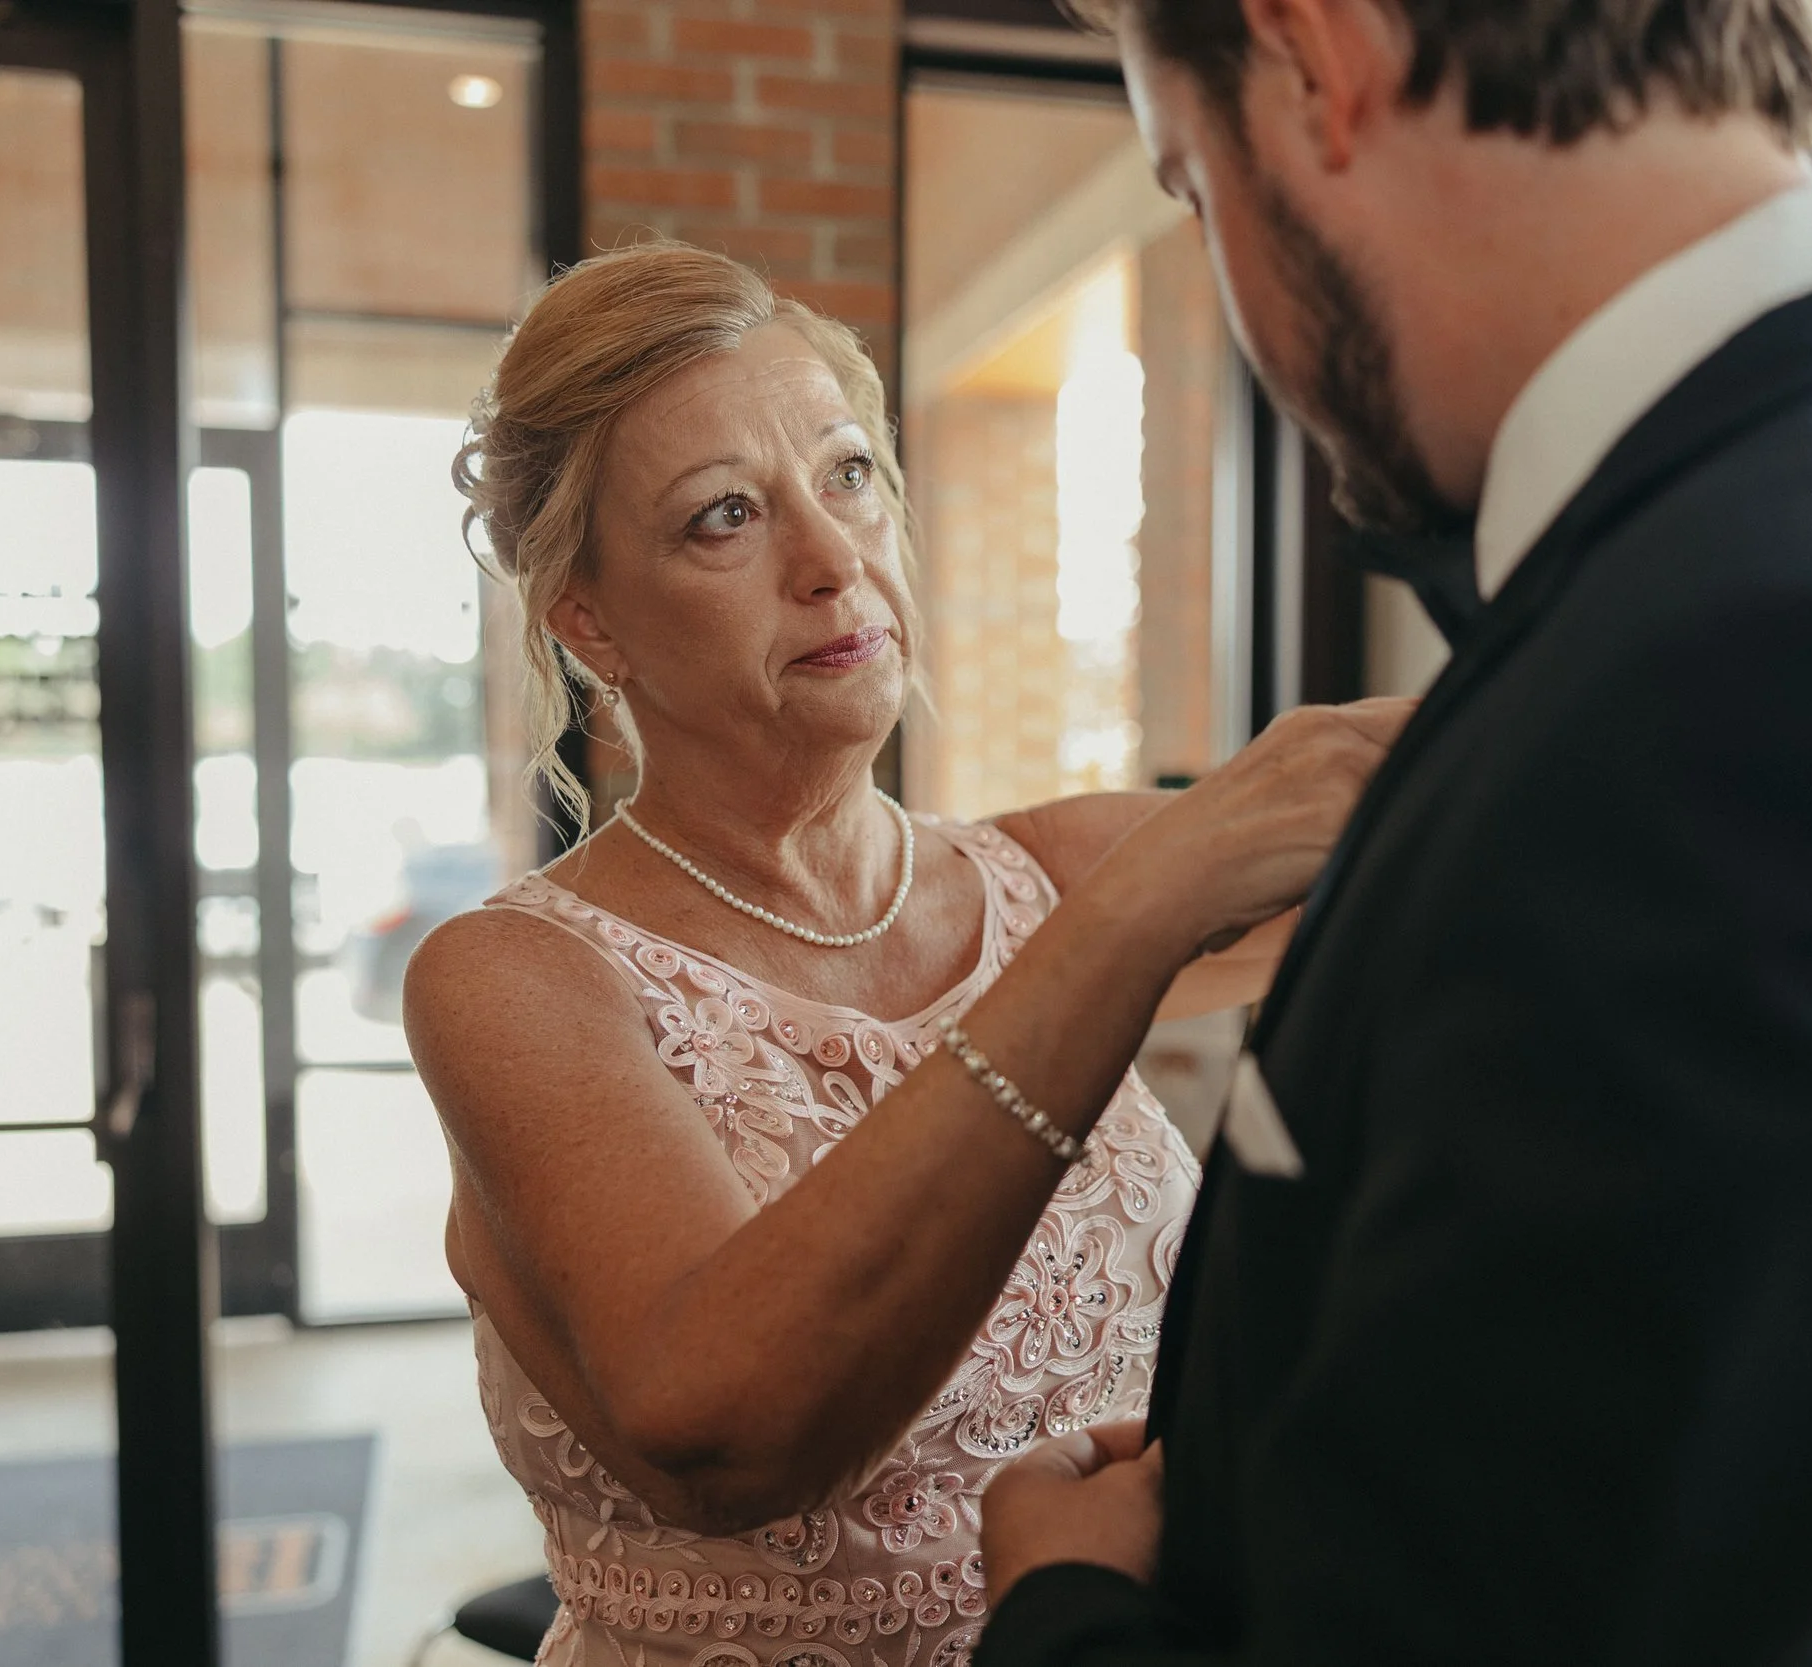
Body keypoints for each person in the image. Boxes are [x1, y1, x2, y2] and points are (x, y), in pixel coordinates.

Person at [974, 2, 1812, 1664]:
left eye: (1192, 186)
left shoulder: (1769, 690)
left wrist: (1065, 1609)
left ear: (1317, 55)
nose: (1233, 301)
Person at [406, 241, 1409, 1667]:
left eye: (850, 474)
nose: (833, 563)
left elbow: (1486, 853)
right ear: (588, 616)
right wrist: (1126, 930)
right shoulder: (517, 980)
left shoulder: (1054, 866)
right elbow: (728, 1430)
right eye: (724, 518)